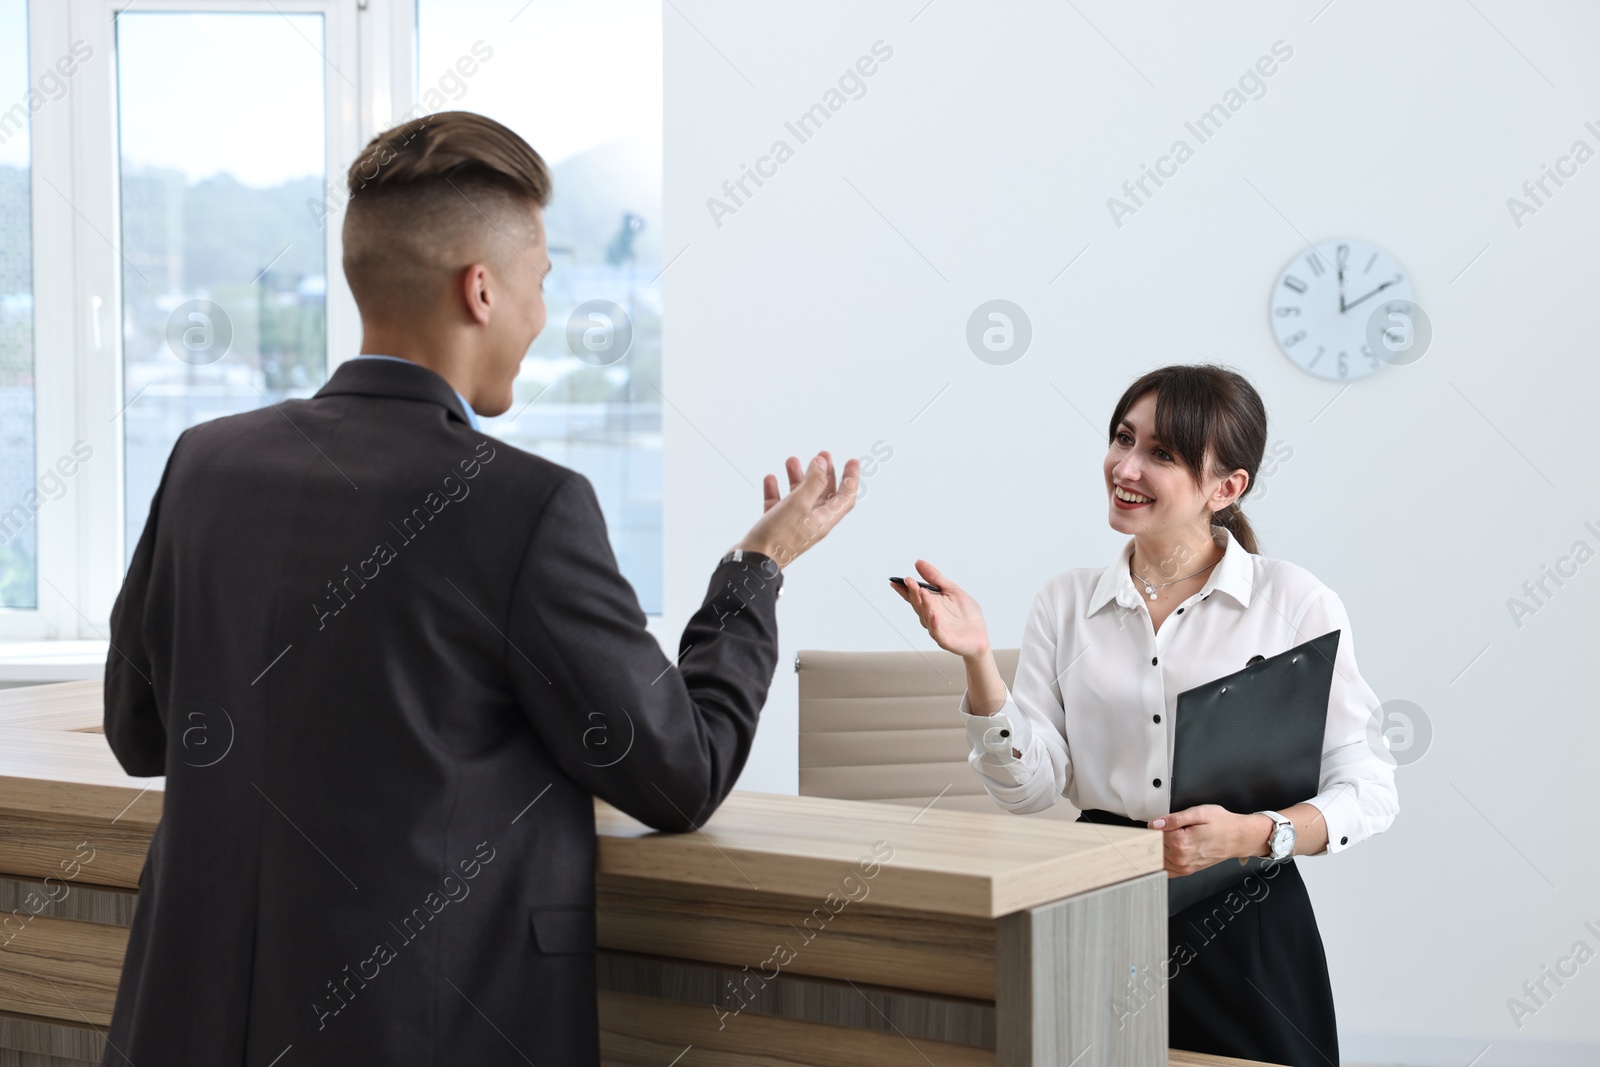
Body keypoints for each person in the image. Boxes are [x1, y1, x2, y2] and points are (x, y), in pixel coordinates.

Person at [101, 110, 859, 1066]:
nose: (543, 314)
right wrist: (758, 568)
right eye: (542, 283)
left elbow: (138, 730)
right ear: (482, 289)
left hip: (183, 1024)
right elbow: (679, 772)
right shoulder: (524, 505)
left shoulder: (203, 462)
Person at [891, 363, 1397, 1067]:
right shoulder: (1065, 602)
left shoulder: (1296, 603)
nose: (1125, 467)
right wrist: (978, 661)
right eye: (1122, 438)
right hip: (1094, 905)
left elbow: (1369, 789)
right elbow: (1030, 789)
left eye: (1162, 453)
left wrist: (1254, 832)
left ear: (1227, 487)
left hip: (1241, 912)